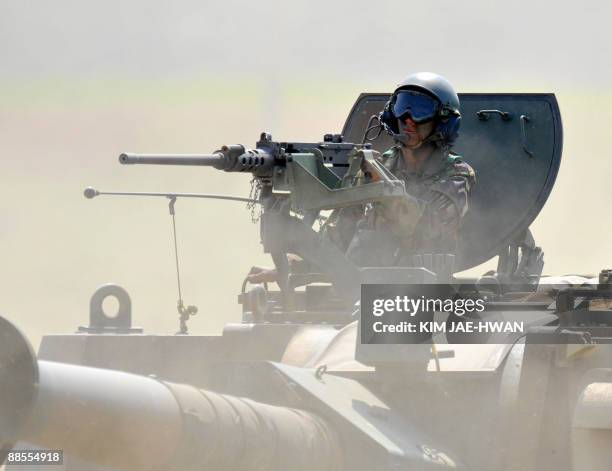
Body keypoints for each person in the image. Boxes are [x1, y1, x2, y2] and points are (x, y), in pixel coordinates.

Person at [248, 72, 475, 282]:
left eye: (420, 110)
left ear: (443, 121)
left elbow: (429, 228)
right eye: (403, 107)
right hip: (357, 287)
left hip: (422, 292)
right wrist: (294, 268)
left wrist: (383, 189)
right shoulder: (376, 166)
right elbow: (339, 233)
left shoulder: (456, 173)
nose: (408, 120)